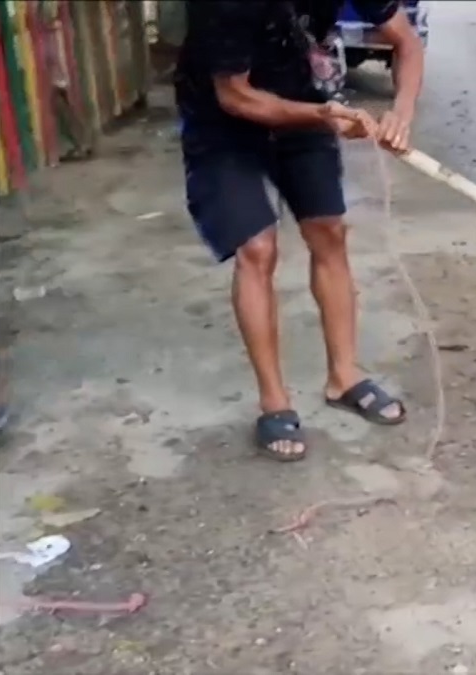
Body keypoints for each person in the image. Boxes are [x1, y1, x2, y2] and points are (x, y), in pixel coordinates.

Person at [175, 0, 425, 462]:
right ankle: (274, 401)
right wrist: (324, 116)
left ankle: (344, 376)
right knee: (257, 248)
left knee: (329, 230)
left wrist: (400, 114)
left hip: (301, 100)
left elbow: (406, 42)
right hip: (222, 124)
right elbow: (236, 96)